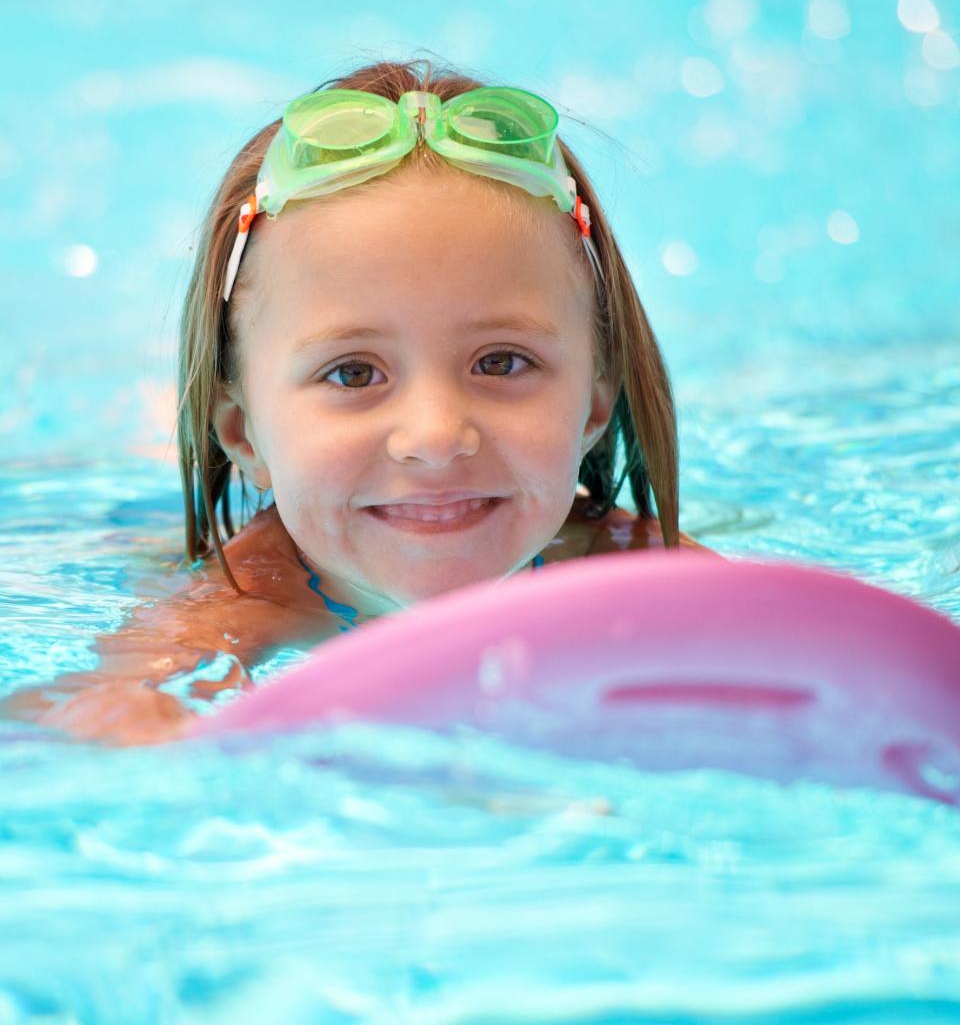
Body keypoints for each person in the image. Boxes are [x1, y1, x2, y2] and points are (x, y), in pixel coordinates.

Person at [7, 57, 711, 746]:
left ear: (592, 407)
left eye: (501, 362)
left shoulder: (628, 568)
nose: (435, 436)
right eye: (352, 374)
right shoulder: (253, 597)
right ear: (242, 435)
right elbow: (100, 717)